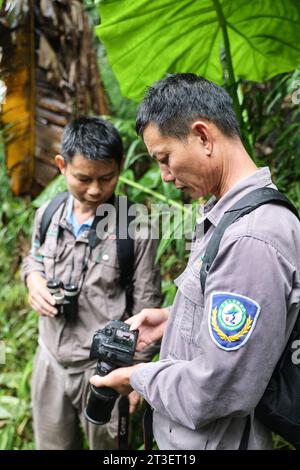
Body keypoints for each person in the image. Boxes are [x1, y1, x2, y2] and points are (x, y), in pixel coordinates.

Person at [90, 74, 300, 450]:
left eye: (165, 158)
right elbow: (237, 313)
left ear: (203, 136)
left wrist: (138, 377)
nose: (165, 176)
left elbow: (220, 387)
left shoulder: (251, 238)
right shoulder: (228, 214)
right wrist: (171, 319)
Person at [21, 116, 162, 450]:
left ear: (120, 167)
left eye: (107, 177)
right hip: (50, 362)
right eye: (83, 178)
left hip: (104, 369)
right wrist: (33, 279)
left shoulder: (135, 226)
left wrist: (134, 378)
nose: (96, 189)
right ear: (61, 166)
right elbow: (33, 258)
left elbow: (147, 306)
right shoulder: (48, 214)